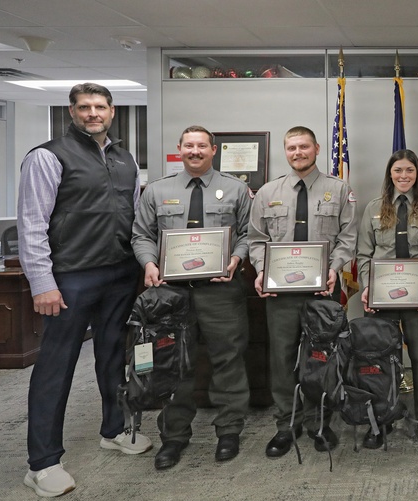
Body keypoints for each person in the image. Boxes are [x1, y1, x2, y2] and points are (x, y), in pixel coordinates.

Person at [17, 83, 151, 497]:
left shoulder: (124, 157)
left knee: (114, 358)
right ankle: (42, 462)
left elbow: (133, 217)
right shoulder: (47, 156)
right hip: (71, 277)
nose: (93, 113)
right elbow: (32, 224)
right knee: (56, 366)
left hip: (119, 274)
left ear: (112, 111)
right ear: (71, 112)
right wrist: (42, 283)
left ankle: (114, 429)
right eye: (84, 107)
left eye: (100, 107)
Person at [131, 125, 252, 469]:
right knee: (173, 364)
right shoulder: (157, 191)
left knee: (228, 361)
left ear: (214, 150)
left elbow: (247, 233)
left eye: (202, 146)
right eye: (189, 145)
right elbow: (141, 235)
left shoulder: (236, 189)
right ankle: (174, 436)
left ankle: (229, 431)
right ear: (179, 148)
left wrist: (236, 258)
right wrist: (149, 263)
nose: (195, 151)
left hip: (220, 291)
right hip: (171, 294)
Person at [248, 126, 357, 457]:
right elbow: (256, 240)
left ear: (317, 148)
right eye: (292, 148)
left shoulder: (339, 191)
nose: (298, 152)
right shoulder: (268, 192)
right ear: (286, 152)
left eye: (304, 147)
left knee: (320, 358)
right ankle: (286, 424)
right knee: (281, 359)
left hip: (321, 291)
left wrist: (333, 268)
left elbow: (348, 238)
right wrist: (262, 270)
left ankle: (318, 422)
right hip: (280, 294)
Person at [356, 149, 418, 448]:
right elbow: (364, 254)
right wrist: (367, 286)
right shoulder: (373, 209)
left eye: (409, 170)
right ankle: (382, 418)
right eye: (398, 171)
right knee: (381, 361)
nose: (404, 176)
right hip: (382, 299)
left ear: (417, 174)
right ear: (390, 174)